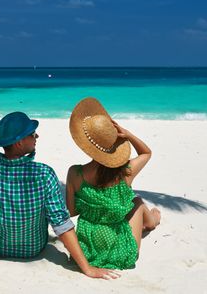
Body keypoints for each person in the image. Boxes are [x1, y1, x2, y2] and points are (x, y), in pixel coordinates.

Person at [0, 111, 119, 284]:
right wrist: (87, 268)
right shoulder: (44, 174)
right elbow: (60, 222)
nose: (37, 137)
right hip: (34, 249)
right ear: (20, 142)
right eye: (32, 134)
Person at [66, 98, 161, 270]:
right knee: (136, 202)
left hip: (86, 249)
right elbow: (146, 153)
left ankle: (150, 221)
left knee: (128, 203)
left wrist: (96, 207)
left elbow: (72, 211)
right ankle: (152, 221)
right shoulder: (126, 172)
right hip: (119, 250)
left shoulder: (74, 173)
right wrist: (128, 134)